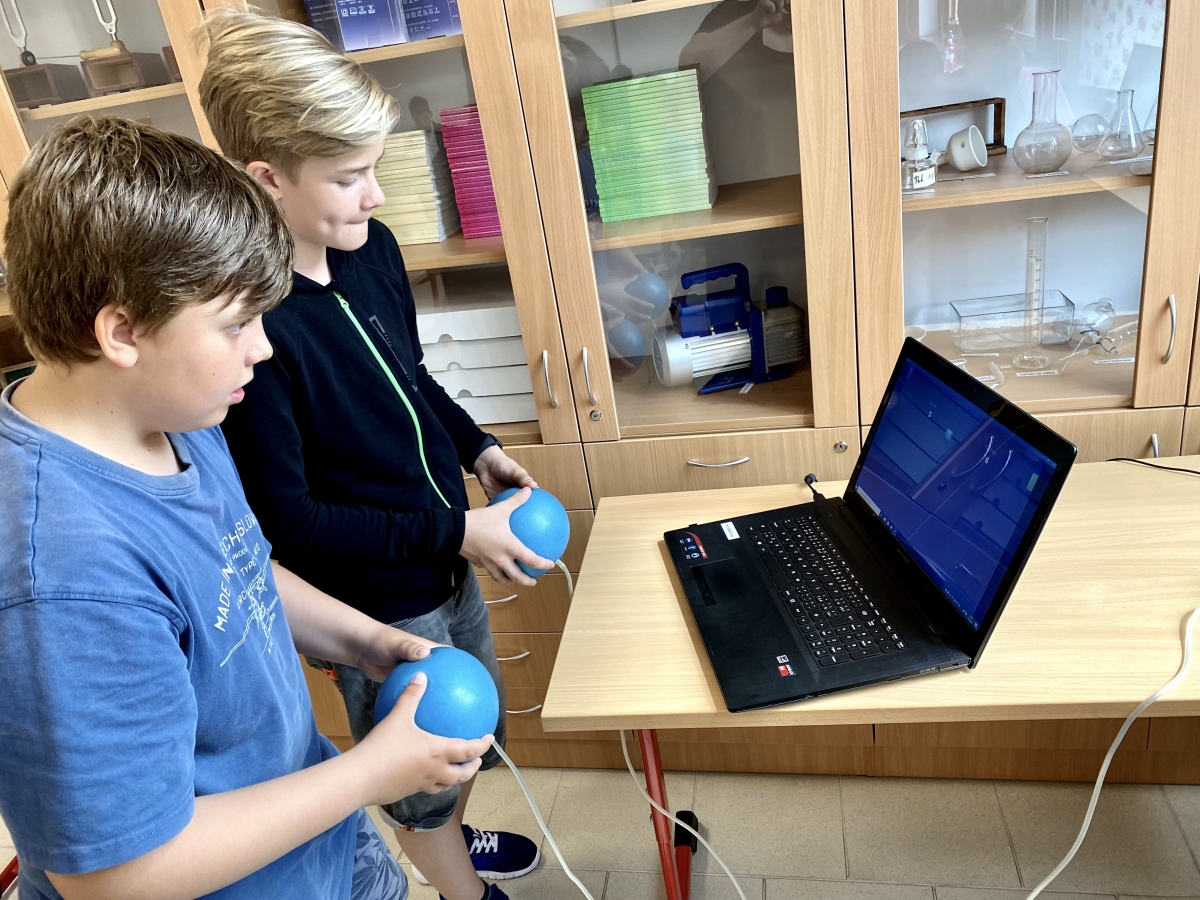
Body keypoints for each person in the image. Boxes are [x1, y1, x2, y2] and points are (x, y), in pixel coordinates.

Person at [0, 116, 491, 900]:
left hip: (315, 840)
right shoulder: (62, 577)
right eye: (236, 323)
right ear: (122, 332)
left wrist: (365, 640)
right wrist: (371, 773)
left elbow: (239, 569)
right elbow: (117, 877)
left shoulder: (176, 416)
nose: (263, 347)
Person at [198, 11, 546, 900]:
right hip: (379, 600)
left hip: (446, 556)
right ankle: (459, 885)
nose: (377, 196)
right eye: (350, 177)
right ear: (267, 178)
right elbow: (293, 525)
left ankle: (452, 842)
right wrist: (457, 532)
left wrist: (479, 451)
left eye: (375, 169)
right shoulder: (254, 331)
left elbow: (412, 380)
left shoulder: (372, 250)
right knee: (422, 780)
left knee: (469, 743)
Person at [678, 0, 798, 185]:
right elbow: (688, 67)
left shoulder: (830, 17)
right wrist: (754, 22)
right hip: (748, 175)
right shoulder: (735, 11)